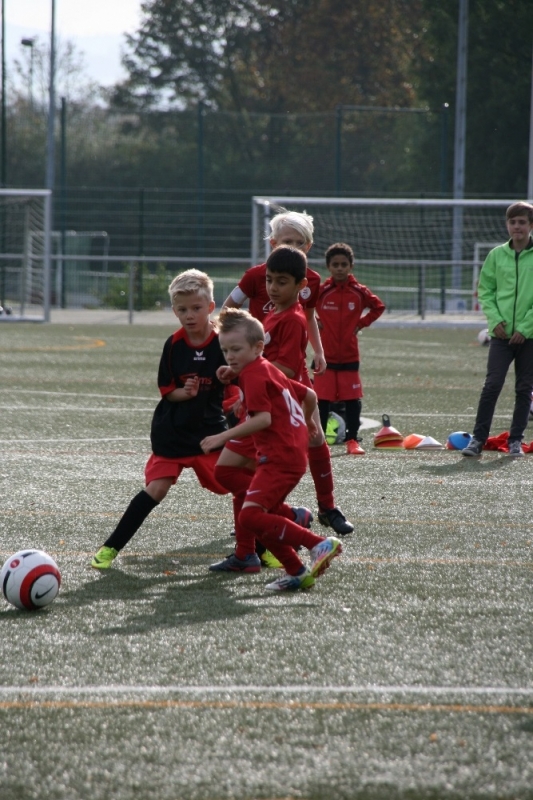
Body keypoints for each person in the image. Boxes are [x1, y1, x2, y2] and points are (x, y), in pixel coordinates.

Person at [224, 211, 354, 536]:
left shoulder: (308, 280)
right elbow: (228, 309)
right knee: (256, 447)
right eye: (286, 241)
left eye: (299, 243)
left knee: (315, 436)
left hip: (290, 370)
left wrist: (318, 351)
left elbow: (308, 318)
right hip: (261, 371)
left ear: (308, 246)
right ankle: (258, 513)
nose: (292, 247)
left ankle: (327, 507)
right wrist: (235, 348)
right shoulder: (257, 275)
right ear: (273, 243)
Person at [90, 269, 230, 569]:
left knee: (238, 483)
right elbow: (168, 392)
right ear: (174, 310)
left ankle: (263, 547)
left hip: (209, 432)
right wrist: (185, 392)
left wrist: (239, 396)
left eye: (196, 308)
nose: (189, 315)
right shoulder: (174, 344)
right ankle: (110, 548)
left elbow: (238, 381)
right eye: (182, 309)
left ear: (210, 307)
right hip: (173, 431)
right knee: (156, 489)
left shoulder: (223, 343)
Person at [201, 307, 342, 591]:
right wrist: (306, 422)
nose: (230, 356)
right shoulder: (264, 367)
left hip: (279, 458)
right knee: (245, 499)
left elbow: (263, 419)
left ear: (258, 347)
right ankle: (296, 570)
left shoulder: (254, 375)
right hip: (289, 453)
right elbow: (309, 394)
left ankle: (317, 543)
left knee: (250, 516)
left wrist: (221, 437)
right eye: (225, 350)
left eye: (236, 350)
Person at [462, 201, 533, 458]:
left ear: (531, 225)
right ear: (507, 225)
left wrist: (525, 328)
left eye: (522, 222)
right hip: (501, 336)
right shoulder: (495, 255)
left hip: (529, 337)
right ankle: (478, 440)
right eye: (513, 222)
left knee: (524, 389)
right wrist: (495, 321)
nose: (517, 227)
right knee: (492, 386)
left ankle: (515, 440)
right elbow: (486, 291)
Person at [314, 242, 385, 454]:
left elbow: (378, 307)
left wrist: (361, 323)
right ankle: (320, 443)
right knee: (322, 400)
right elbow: (301, 307)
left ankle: (352, 440)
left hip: (349, 355)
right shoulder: (322, 291)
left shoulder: (359, 292)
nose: (339, 268)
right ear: (328, 267)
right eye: (335, 264)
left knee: (352, 399)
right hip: (324, 356)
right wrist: (315, 322)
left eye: (344, 264)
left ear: (351, 266)